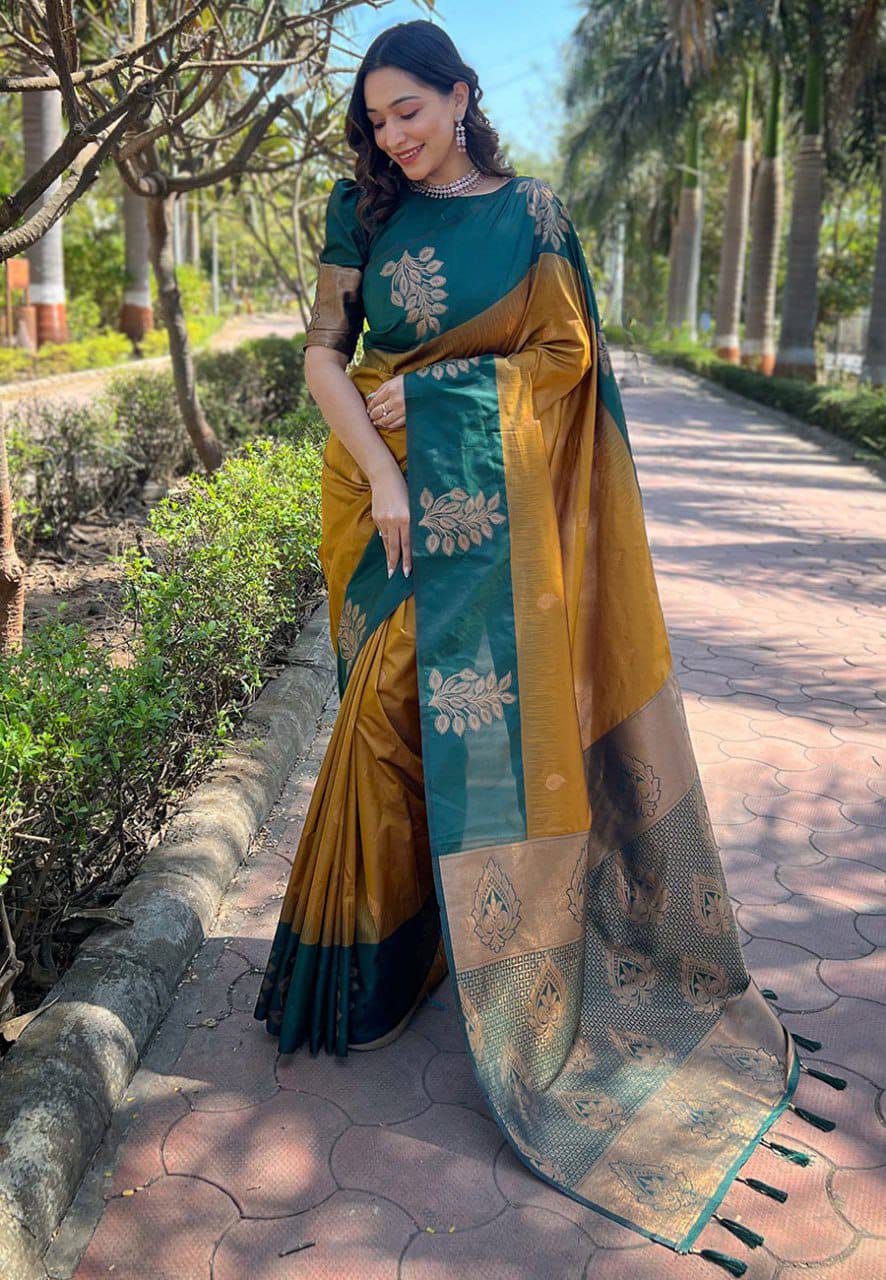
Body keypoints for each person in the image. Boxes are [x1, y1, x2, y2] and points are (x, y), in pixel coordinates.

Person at [255, 19, 838, 1273]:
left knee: (461, 711)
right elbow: (322, 354)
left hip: (497, 500)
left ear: (462, 95)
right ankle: (374, 959)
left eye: (409, 109)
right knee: (386, 701)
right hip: (385, 497)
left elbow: (567, 355)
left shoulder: (534, 214)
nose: (392, 136)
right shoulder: (355, 211)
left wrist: (456, 398)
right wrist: (384, 469)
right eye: (376, 119)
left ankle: (475, 950)